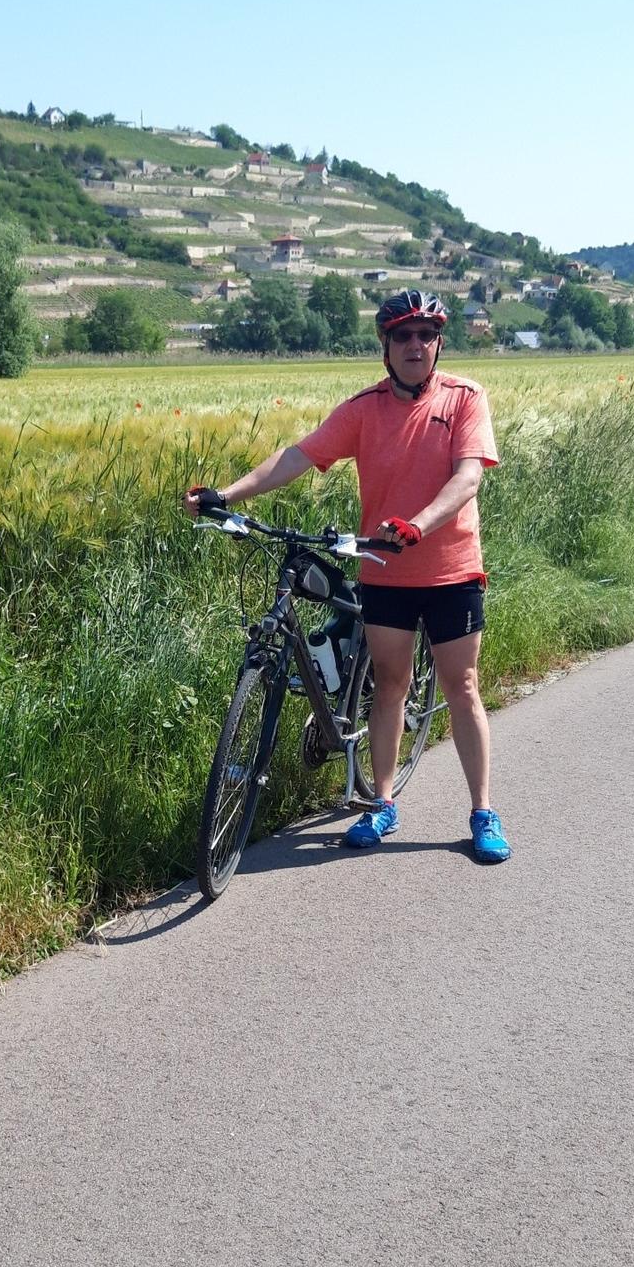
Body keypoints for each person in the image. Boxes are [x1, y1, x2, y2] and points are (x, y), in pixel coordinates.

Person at [184, 287, 511, 863]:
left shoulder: (464, 398)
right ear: (386, 346)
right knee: (390, 685)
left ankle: (482, 812)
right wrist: (227, 494)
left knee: (461, 686)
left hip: (450, 570)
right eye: (403, 335)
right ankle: (382, 803)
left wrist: (417, 524)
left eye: (426, 334)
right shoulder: (365, 409)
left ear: (438, 344)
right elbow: (298, 456)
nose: (415, 344)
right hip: (384, 571)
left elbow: (468, 478)